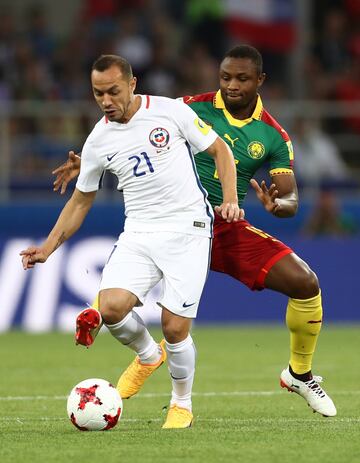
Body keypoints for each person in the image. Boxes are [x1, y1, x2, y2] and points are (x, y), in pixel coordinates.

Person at [53, 46, 336, 418]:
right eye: (225, 78)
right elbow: (132, 122)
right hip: (173, 222)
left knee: (306, 283)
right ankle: (120, 327)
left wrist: (277, 205)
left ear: (260, 81)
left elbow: (291, 198)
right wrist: (92, 159)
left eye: (241, 79)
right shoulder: (188, 105)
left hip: (227, 228)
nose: (231, 86)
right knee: (133, 302)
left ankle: (299, 373)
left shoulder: (272, 135)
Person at [21, 54, 241, 429]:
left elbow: (220, 150)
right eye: (97, 93)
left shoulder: (170, 112)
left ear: (132, 84)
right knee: (110, 308)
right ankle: (146, 355)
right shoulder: (97, 141)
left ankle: (181, 403)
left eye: (113, 91)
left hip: (187, 228)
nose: (106, 100)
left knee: (174, 327)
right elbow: (80, 200)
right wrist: (48, 247)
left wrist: (231, 198)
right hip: (138, 232)